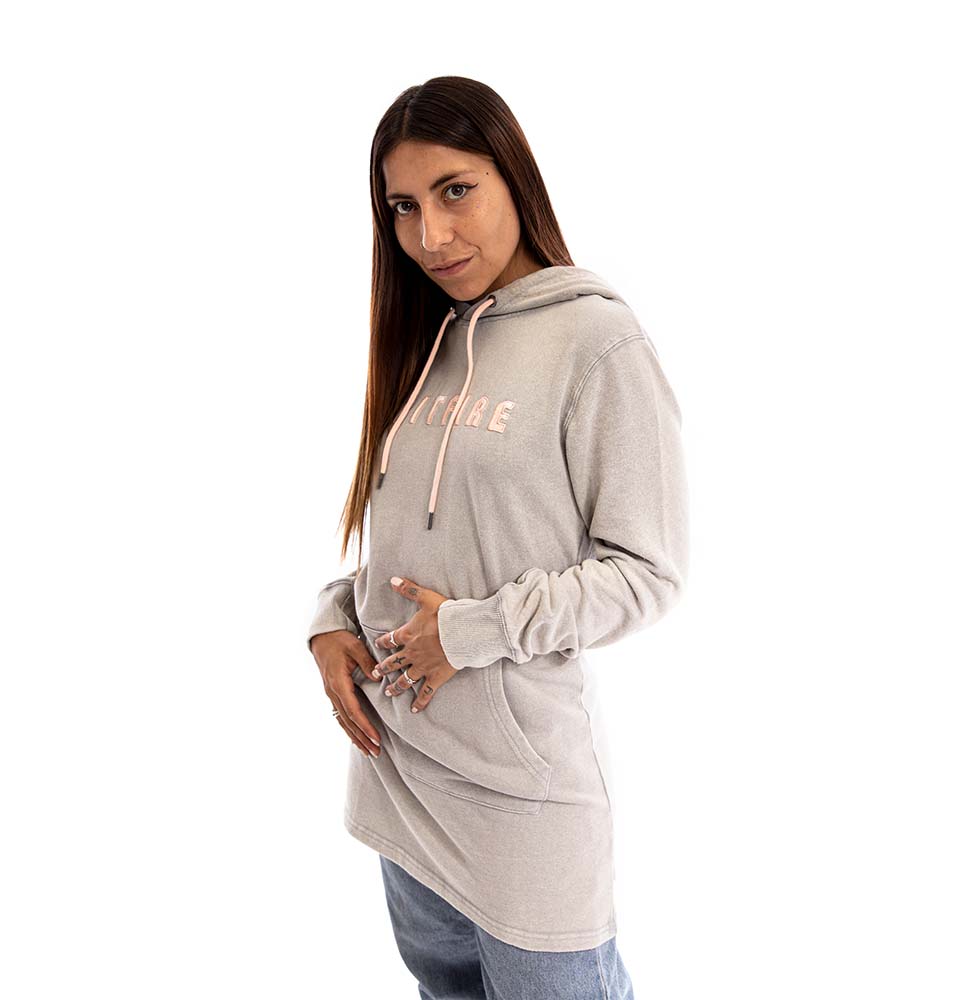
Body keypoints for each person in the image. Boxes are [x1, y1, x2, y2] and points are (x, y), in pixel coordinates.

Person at [306, 75, 689, 999]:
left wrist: (469, 632)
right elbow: (413, 544)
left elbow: (647, 572)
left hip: (526, 804)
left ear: (514, 174)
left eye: (455, 191)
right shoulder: (427, 340)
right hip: (402, 777)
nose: (431, 236)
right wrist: (331, 623)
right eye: (404, 207)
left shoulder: (599, 342)